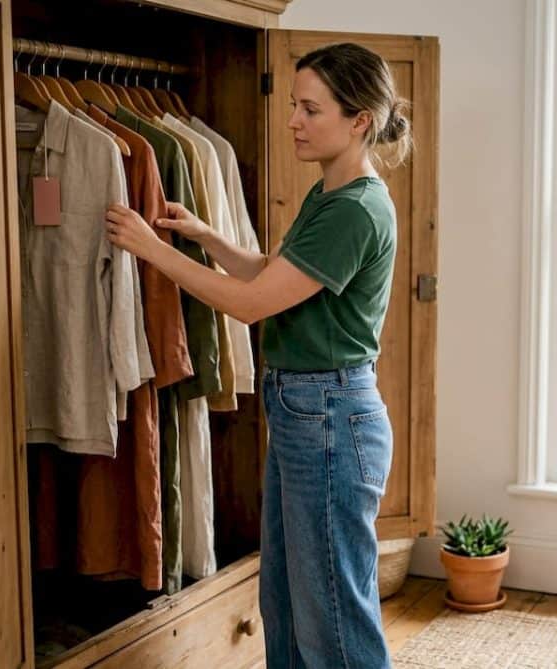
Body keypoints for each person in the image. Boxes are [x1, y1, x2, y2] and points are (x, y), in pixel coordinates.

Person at [104, 42, 412, 669]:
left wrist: (152, 250)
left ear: (359, 120)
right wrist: (204, 235)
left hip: (328, 415)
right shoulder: (329, 195)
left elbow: (250, 305)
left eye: (310, 109)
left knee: (332, 613)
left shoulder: (354, 208)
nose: (294, 121)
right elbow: (275, 275)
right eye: (295, 106)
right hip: (308, 410)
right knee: (289, 604)